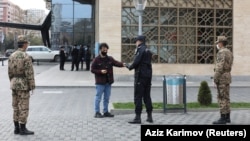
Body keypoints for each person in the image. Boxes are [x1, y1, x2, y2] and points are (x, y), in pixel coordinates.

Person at [8, 35, 35, 135]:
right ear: (24, 44)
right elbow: (29, 72)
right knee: (24, 107)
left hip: (14, 83)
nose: (27, 45)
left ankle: (16, 128)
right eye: (27, 43)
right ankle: (23, 128)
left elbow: (9, 72)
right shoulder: (26, 56)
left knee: (15, 106)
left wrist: (12, 81)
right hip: (23, 85)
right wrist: (32, 85)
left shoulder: (12, 55)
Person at [91, 43, 125, 118]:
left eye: (106, 49)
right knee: (98, 97)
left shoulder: (110, 59)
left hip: (108, 82)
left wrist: (124, 64)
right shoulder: (96, 60)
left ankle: (105, 111)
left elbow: (117, 63)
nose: (105, 50)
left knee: (106, 98)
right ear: (100, 50)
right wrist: (100, 71)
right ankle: (97, 112)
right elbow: (92, 70)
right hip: (100, 82)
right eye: (103, 49)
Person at [126, 35, 153, 124]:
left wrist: (129, 66)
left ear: (139, 41)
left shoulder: (140, 49)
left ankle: (137, 117)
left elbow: (136, 62)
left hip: (140, 76)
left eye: (136, 41)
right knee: (147, 96)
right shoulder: (148, 50)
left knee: (138, 97)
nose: (135, 43)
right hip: (148, 76)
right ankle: (149, 116)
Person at [213, 36, 233, 124]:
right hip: (227, 76)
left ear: (221, 43)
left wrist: (215, 78)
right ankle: (227, 117)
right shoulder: (229, 52)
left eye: (218, 43)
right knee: (226, 97)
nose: (217, 44)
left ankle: (223, 118)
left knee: (221, 97)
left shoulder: (221, 52)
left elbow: (219, 67)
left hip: (222, 77)